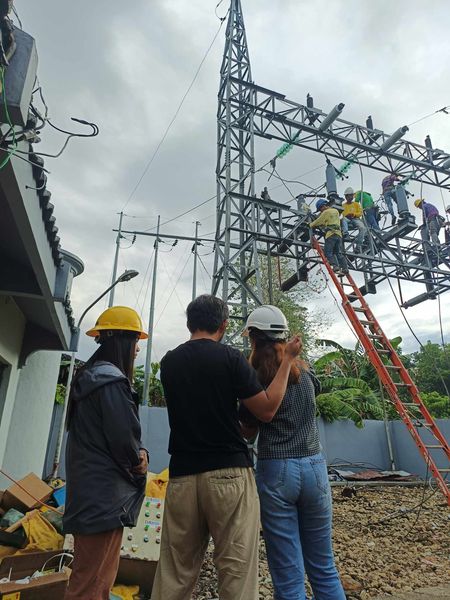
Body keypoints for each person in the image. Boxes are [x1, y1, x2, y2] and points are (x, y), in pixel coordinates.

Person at [151, 295, 301, 600]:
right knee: (236, 570)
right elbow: (267, 409)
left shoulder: (169, 362)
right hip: (229, 476)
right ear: (224, 324)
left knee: (174, 571)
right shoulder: (230, 359)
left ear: (189, 324)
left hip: (181, 477)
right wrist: (287, 361)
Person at [239, 306, 346, 600]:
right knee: (324, 566)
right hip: (314, 468)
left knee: (288, 573)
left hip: (276, 471)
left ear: (253, 338)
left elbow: (248, 432)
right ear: (283, 335)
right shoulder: (307, 373)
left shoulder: (254, 378)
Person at [64, 306, 149, 600]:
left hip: (91, 497)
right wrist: (140, 459)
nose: (138, 349)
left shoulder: (89, 378)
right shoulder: (111, 383)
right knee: (91, 586)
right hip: (102, 501)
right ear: (123, 341)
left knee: (92, 580)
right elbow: (124, 442)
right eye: (136, 341)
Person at [309, 198, 348, 275]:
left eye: (320, 209)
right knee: (338, 253)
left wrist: (310, 224)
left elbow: (318, 221)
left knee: (328, 252)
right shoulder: (335, 211)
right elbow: (328, 221)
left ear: (323, 206)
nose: (321, 211)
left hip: (331, 234)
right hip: (338, 235)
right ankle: (345, 268)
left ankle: (335, 266)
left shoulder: (326, 212)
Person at [341, 187, 368, 252]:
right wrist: (348, 214)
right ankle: (346, 234)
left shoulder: (356, 204)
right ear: (346, 196)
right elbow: (342, 214)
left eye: (351, 195)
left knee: (363, 228)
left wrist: (353, 214)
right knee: (343, 219)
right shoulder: (343, 206)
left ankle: (358, 247)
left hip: (356, 219)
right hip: (347, 220)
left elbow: (360, 213)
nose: (350, 197)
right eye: (348, 196)